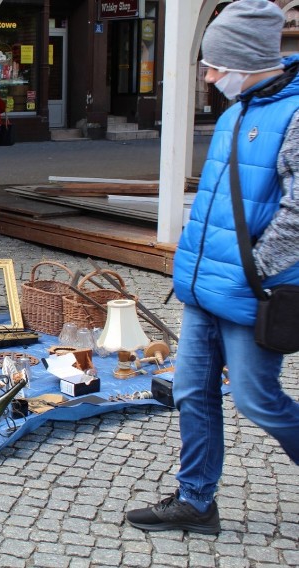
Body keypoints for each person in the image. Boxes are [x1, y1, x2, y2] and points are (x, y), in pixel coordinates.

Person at [126, 0, 299, 535]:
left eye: (215, 64)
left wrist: (254, 271)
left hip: (253, 293)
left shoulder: (293, 115)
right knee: (190, 392)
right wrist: (192, 269)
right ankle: (195, 501)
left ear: (246, 60)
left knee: (256, 399)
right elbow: (215, 203)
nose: (208, 74)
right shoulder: (234, 112)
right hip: (205, 290)